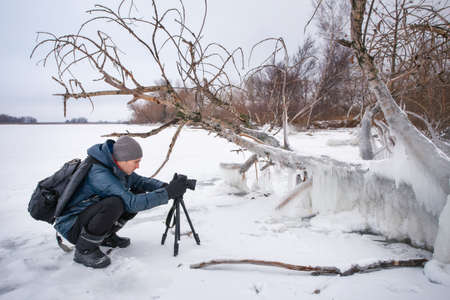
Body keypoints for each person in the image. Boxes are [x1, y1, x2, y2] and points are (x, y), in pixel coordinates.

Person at [54, 136, 187, 268]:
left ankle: (105, 236)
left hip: (86, 216)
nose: (138, 166)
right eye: (136, 161)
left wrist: (166, 187)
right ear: (123, 160)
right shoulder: (99, 174)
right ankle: (84, 250)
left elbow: (140, 181)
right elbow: (132, 203)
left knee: (137, 191)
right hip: (71, 225)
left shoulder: (115, 166)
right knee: (115, 203)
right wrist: (168, 193)